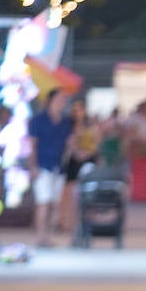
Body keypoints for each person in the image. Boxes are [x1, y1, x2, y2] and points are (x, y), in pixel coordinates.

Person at [27, 89, 73, 247]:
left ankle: (48, 235)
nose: (63, 102)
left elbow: (69, 144)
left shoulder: (66, 122)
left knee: (54, 203)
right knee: (43, 202)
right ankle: (40, 236)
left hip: (58, 166)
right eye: (60, 99)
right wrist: (32, 166)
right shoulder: (39, 120)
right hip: (42, 165)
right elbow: (32, 145)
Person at [58, 98, 100, 234]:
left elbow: (97, 144)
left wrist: (86, 153)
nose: (77, 113)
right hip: (73, 162)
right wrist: (76, 151)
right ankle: (68, 222)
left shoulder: (92, 126)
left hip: (89, 160)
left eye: (79, 109)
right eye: (74, 110)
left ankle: (88, 222)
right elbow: (68, 144)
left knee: (89, 192)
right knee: (70, 193)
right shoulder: (68, 126)